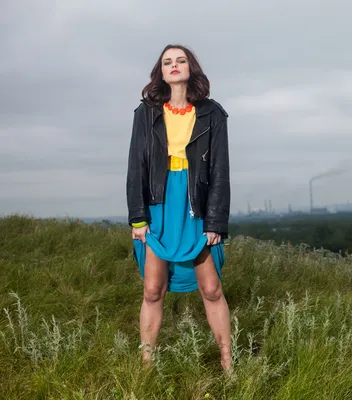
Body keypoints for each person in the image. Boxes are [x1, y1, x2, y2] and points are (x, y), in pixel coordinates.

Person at [126, 44, 232, 374]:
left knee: (212, 289)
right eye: (167, 62)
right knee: (153, 289)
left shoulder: (213, 113)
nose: (174, 65)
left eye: (181, 60)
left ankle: (228, 363)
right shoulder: (145, 113)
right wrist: (137, 216)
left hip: (195, 205)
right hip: (159, 204)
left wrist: (215, 220)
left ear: (191, 68)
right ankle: (146, 366)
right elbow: (136, 167)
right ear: (161, 72)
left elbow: (219, 170)